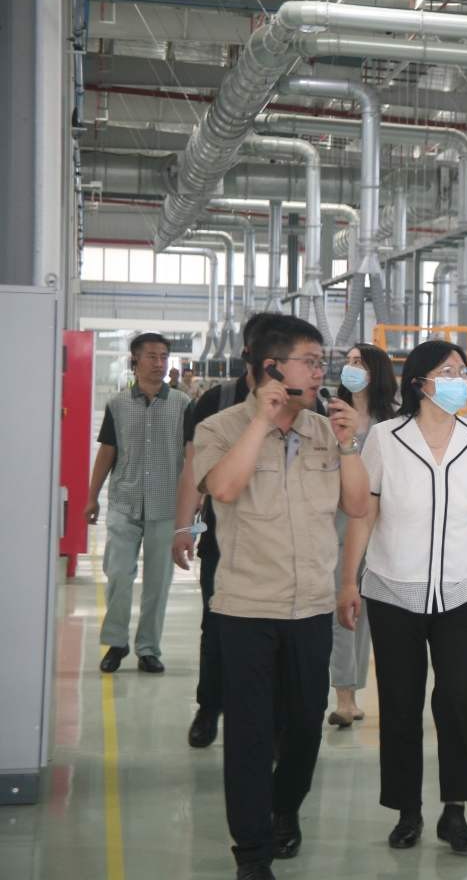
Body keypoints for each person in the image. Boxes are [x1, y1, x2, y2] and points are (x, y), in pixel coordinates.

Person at [192, 314, 368, 880]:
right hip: (246, 608)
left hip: (310, 608)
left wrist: (350, 444)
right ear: (271, 368)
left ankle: (285, 807)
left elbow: (358, 506)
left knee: (304, 728)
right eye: (310, 363)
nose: (321, 373)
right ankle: (251, 851)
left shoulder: (325, 431)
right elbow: (223, 488)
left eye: (322, 363)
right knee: (248, 735)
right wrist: (262, 422)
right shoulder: (219, 428)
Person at [337, 340, 467, 855]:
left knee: (458, 697)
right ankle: (407, 810)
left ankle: (455, 811)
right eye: (449, 371)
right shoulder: (386, 438)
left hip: (463, 588)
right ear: (420, 382)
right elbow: (364, 514)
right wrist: (348, 581)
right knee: (399, 701)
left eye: (464, 371)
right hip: (393, 588)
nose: (460, 379)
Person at [173, 312, 275, 748]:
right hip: (224, 539)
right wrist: (184, 526)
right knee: (216, 628)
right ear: (250, 354)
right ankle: (209, 706)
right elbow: (192, 469)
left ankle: (275, 722)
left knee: (279, 636)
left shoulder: (308, 405)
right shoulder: (214, 402)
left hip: (283, 545)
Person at [88, 332, 193, 674]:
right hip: (124, 503)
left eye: (163, 356)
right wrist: (92, 497)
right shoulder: (118, 405)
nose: (159, 363)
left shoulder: (182, 404)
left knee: (157, 583)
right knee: (118, 575)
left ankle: (148, 648)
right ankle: (116, 642)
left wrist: (193, 504)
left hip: (166, 507)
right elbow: (107, 452)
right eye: (151, 356)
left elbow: (193, 457)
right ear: (135, 360)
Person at [327, 343, 399, 728]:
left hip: (385, 525)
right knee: (342, 604)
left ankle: (355, 687)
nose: (351, 367)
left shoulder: (395, 421)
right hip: (340, 522)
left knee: (369, 613)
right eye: (349, 362)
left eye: (360, 362)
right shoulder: (332, 416)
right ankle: (344, 696)